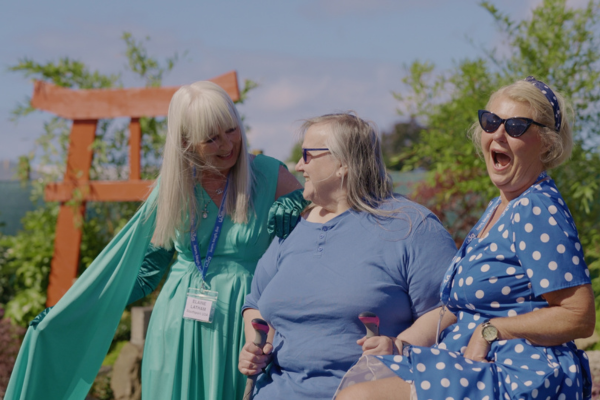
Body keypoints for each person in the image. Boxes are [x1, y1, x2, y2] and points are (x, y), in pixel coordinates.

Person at [6, 81, 306, 400]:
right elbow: (146, 272)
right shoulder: (174, 187)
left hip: (246, 319)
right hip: (177, 324)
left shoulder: (269, 174)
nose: (227, 145)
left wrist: (302, 203)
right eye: (211, 138)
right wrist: (70, 309)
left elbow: (330, 217)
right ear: (186, 143)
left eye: (231, 130)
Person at [335, 77, 595, 400]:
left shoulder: (536, 207)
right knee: (362, 383)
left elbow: (579, 316)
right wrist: (398, 344)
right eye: (490, 122)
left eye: (515, 126)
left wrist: (493, 331)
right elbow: (458, 309)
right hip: (478, 364)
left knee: (361, 398)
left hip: (521, 375)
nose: (498, 133)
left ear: (546, 142)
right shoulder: (502, 207)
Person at [238, 113, 457, 400]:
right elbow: (255, 306)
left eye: (307, 155)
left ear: (342, 164)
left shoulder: (411, 226)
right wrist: (256, 349)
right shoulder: (292, 228)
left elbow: (449, 308)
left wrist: (399, 345)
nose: (299, 165)